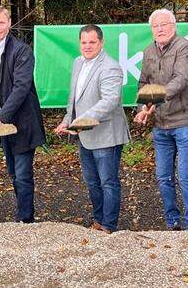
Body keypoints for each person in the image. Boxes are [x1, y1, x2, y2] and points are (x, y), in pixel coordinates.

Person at [57, 25, 130, 233]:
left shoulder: (111, 67)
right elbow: (73, 98)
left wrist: (80, 122)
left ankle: (108, 225)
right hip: (85, 135)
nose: (87, 46)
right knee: (92, 182)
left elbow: (110, 101)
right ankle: (98, 220)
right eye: (84, 42)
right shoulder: (78, 63)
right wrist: (66, 120)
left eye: (92, 42)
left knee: (108, 182)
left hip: (106, 135)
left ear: (101, 43)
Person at [134, 8, 188, 230]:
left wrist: (156, 99)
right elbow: (143, 84)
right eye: (156, 26)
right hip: (160, 125)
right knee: (163, 177)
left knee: (185, 175)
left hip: (185, 121)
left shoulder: (184, 47)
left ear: (174, 26)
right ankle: (172, 222)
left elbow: (180, 79)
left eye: (165, 24)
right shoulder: (148, 51)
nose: (160, 29)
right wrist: (143, 106)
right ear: (151, 29)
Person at [0, 5, 46, 223]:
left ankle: (25, 219)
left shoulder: (22, 50)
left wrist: (1, 117)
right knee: (12, 172)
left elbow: (21, 87)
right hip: (3, 122)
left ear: (9, 24)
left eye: (1, 23)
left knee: (22, 173)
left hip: (23, 122)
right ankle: (23, 214)